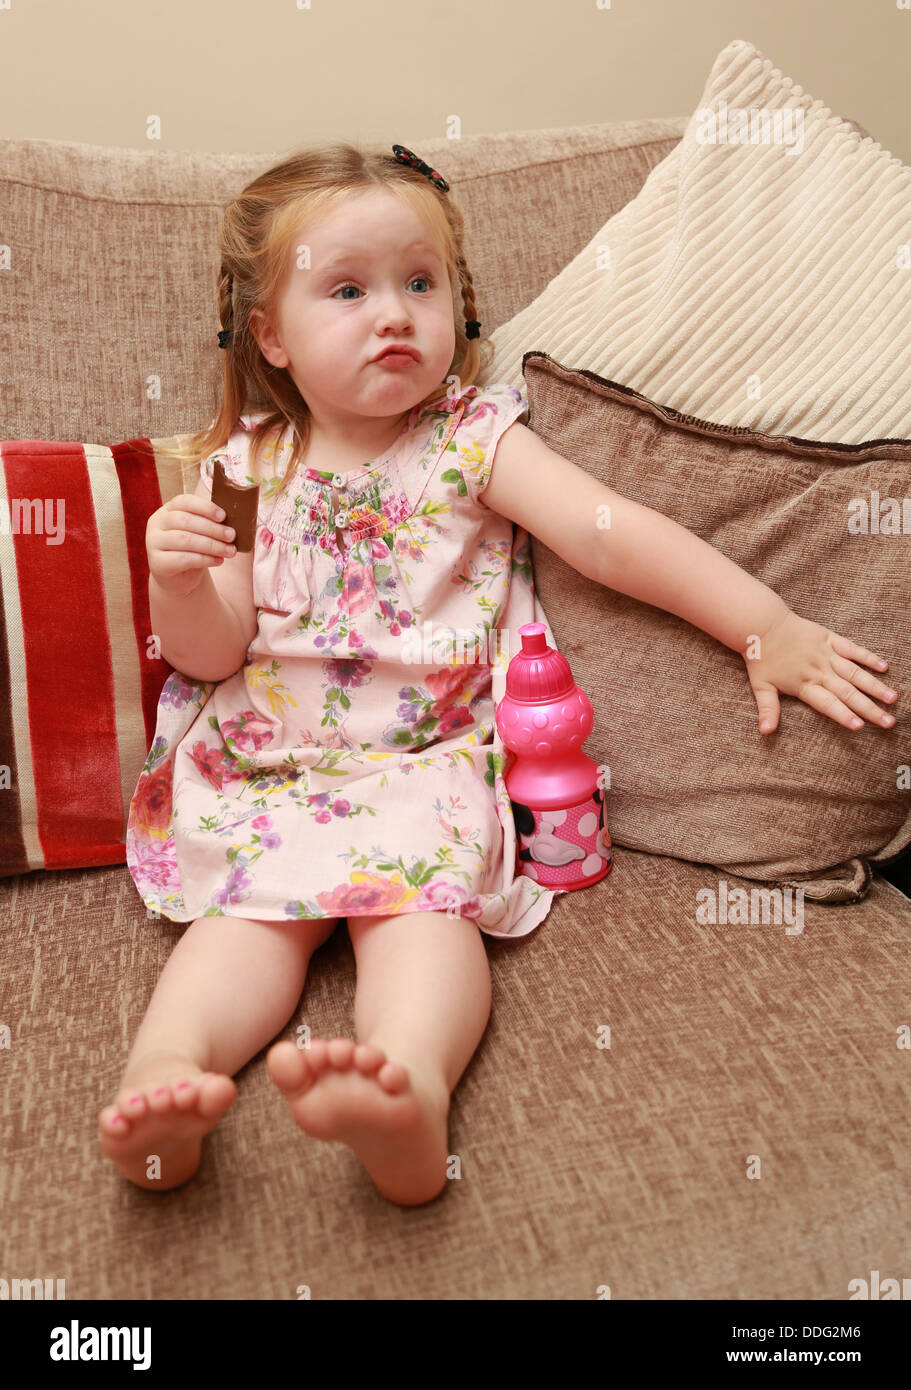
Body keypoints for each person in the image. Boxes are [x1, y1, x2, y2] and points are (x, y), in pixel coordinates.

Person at [98, 142, 898, 1207]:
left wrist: (762, 623)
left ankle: (409, 1094)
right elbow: (209, 651)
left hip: (424, 765)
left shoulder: (470, 439)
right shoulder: (246, 468)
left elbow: (609, 536)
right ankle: (170, 1076)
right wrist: (179, 582)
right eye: (347, 290)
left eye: (418, 284)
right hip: (271, 764)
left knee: (424, 920)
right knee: (240, 924)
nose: (393, 314)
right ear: (269, 338)